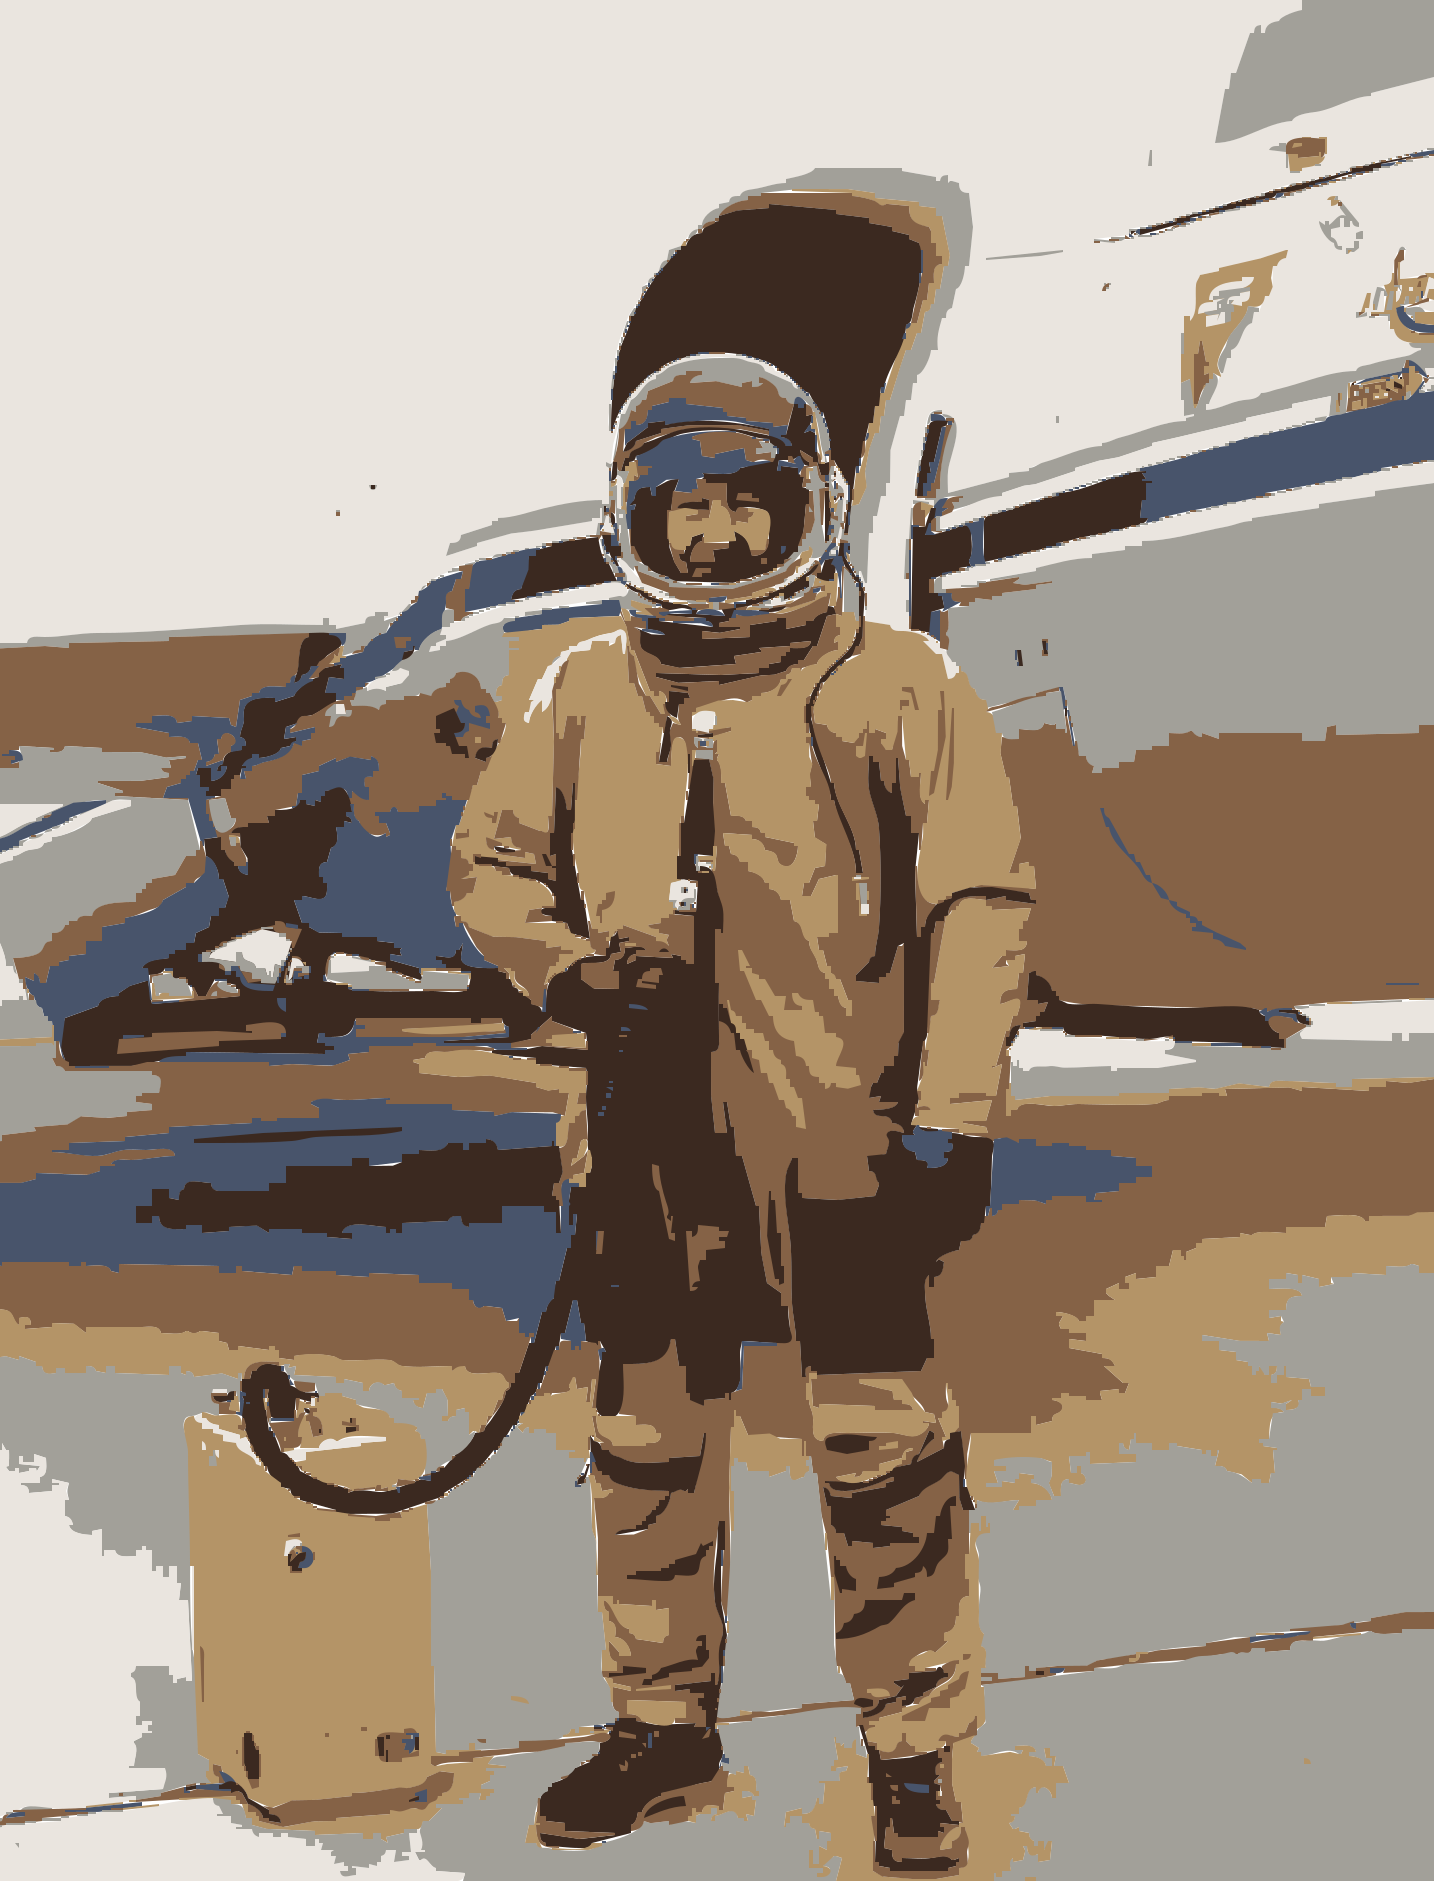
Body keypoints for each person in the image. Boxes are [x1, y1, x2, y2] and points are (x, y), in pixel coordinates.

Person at [448, 355, 1034, 1873]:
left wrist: (955, 1113)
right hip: (645, 1138)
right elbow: (492, 870)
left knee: (883, 1454)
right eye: (681, 508)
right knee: (644, 1444)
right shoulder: (582, 692)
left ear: (806, 509)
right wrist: (575, 978)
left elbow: (978, 902)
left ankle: (913, 1751)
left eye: (743, 504)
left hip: (841, 1137)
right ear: (632, 521)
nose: (711, 537)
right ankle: (663, 1727)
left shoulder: (898, 686)